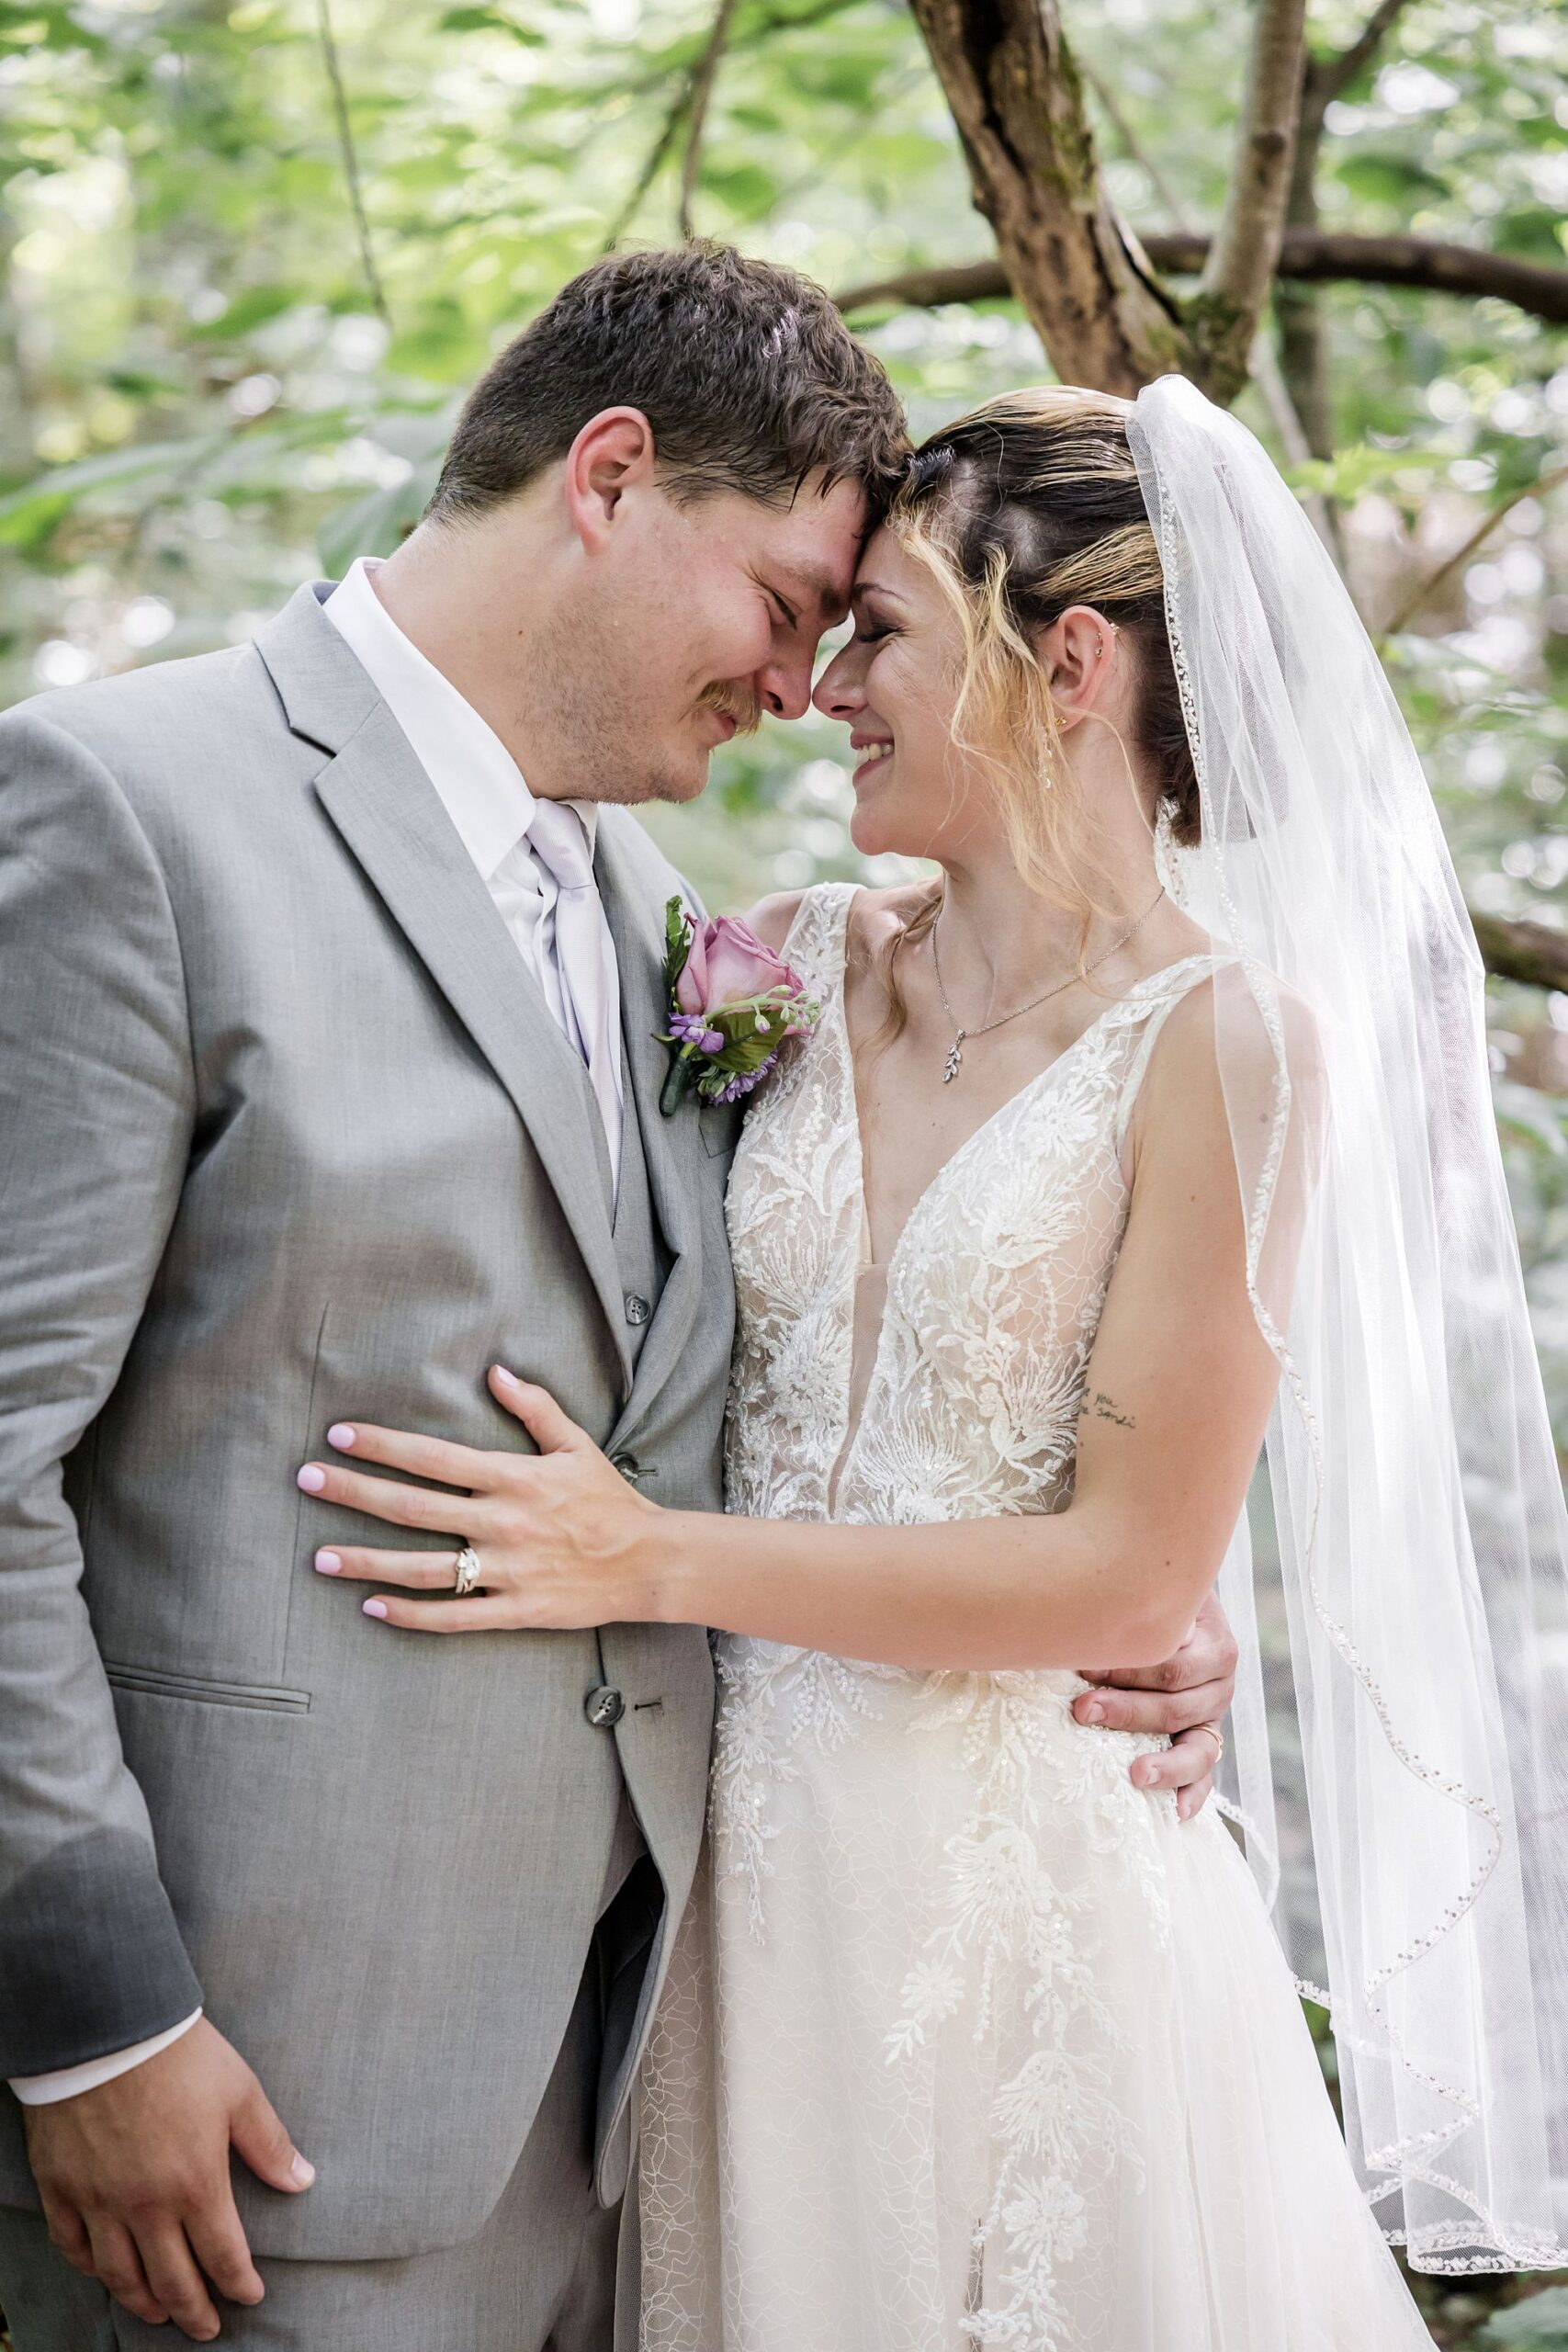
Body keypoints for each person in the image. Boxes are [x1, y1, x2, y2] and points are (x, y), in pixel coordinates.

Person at [0, 252, 1235, 2350]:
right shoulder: (131, 804)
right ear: (606, 477)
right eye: (783, 605)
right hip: (248, 2101)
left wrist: (1118, 1594)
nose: (799, 686)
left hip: (653, 2091)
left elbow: (794, 1371)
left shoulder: (684, 933)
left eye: (852, 633)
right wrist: (90, 2018)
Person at [307, 381, 1568, 2346]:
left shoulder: (1225, 1046)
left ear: (1064, 666)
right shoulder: (770, 966)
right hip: (723, 1897)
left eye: (878, 630)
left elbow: (1127, 1576)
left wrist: (645, 1556)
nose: (822, 688)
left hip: (1022, 1907)